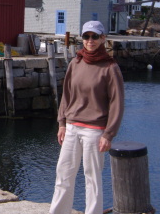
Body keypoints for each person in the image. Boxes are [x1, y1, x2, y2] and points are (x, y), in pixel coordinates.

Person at [49, 21, 125, 214]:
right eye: (86, 36)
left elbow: (117, 102)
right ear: (81, 38)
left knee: (92, 178)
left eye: (95, 36)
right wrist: (62, 123)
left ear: (102, 38)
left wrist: (109, 134)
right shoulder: (76, 63)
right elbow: (66, 95)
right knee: (63, 175)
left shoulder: (110, 67)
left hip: (95, 131)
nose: (90, 40)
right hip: (72, 127)